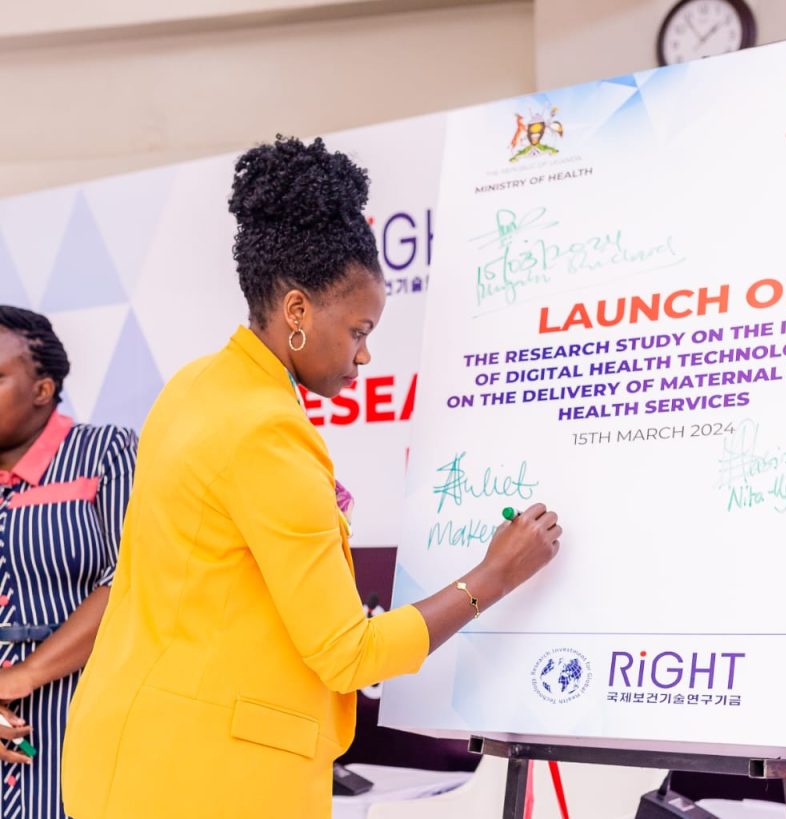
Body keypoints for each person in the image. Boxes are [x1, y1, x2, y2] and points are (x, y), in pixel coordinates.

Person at [62, 136, 561, 819]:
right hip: (205, 777)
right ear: (297, 312)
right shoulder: (266, 430)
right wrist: (495, 574)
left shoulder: (196, 386)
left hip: (124, 748)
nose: (365, 354)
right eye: (358, 330)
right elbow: (349, 653)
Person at [0, 306, 137, 819]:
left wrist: (24, 675)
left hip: (83, 710)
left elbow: (132, 578)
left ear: (42, 389)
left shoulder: (106, 452)